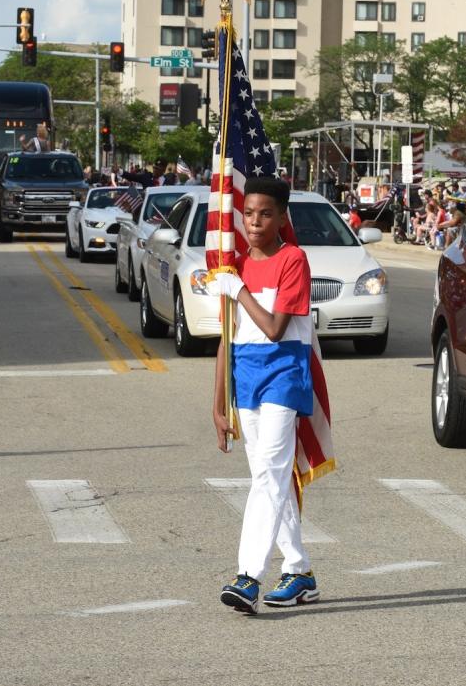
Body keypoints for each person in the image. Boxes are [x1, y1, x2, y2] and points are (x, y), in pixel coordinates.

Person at [208, 177, 320, 615]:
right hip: (245, 379)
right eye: (249, 213)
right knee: (269, 479)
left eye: (266, 213)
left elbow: (274, 328)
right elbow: (225, 338)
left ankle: (248, 576)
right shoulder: (234, 264)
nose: (255, 222)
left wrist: (239, 290)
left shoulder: (293, 259)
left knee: (269, 476)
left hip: (283, 377)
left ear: (282, 217)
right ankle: (299, 571)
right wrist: (217, 405)